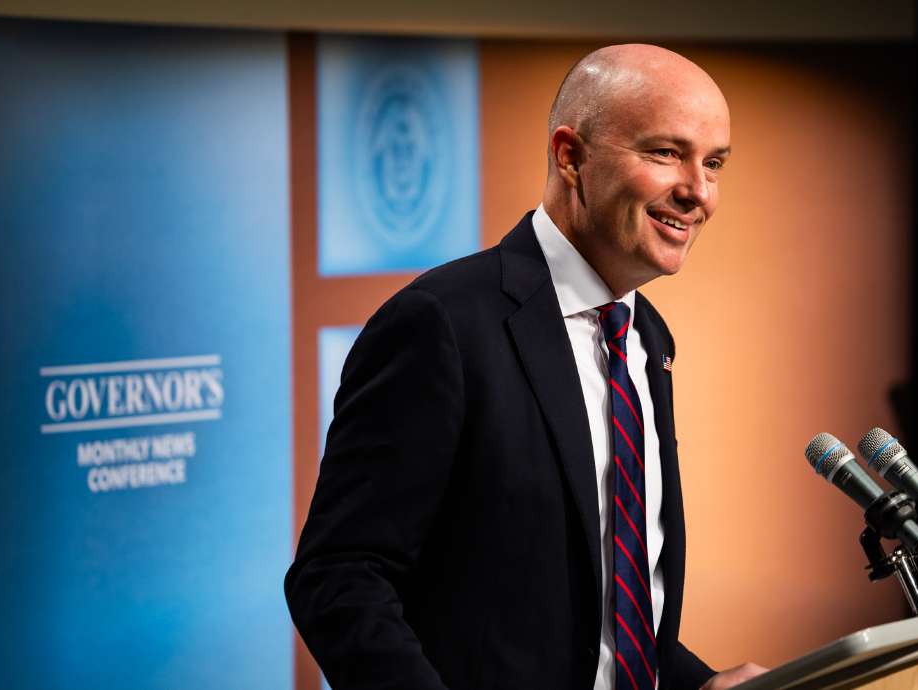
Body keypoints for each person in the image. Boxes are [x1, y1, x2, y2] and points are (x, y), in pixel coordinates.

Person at [285, 44, 767, 690]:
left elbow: (603, 622)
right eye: (664, 153)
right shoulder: (440, 325)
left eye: (713, 163)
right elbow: (339, 576)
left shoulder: (647, 335)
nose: (698, 192)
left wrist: (698, 683)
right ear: (570, 156)